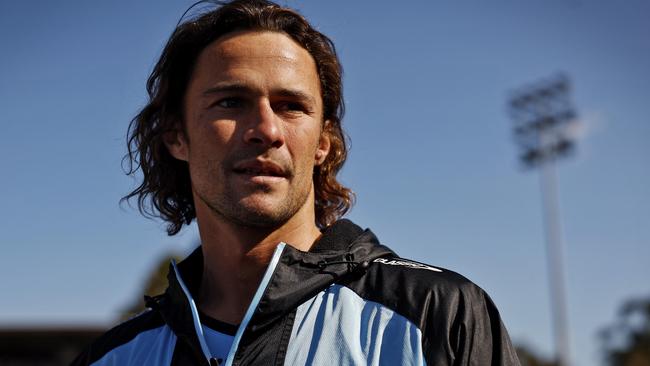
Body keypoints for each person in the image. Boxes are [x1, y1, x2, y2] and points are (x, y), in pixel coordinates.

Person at [72, 1, 520, 365]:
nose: (266, 129)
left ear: (324, 143)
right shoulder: (112, 359)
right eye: (231, 101)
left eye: (290, 106)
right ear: (176, 135)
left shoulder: (438, 318)